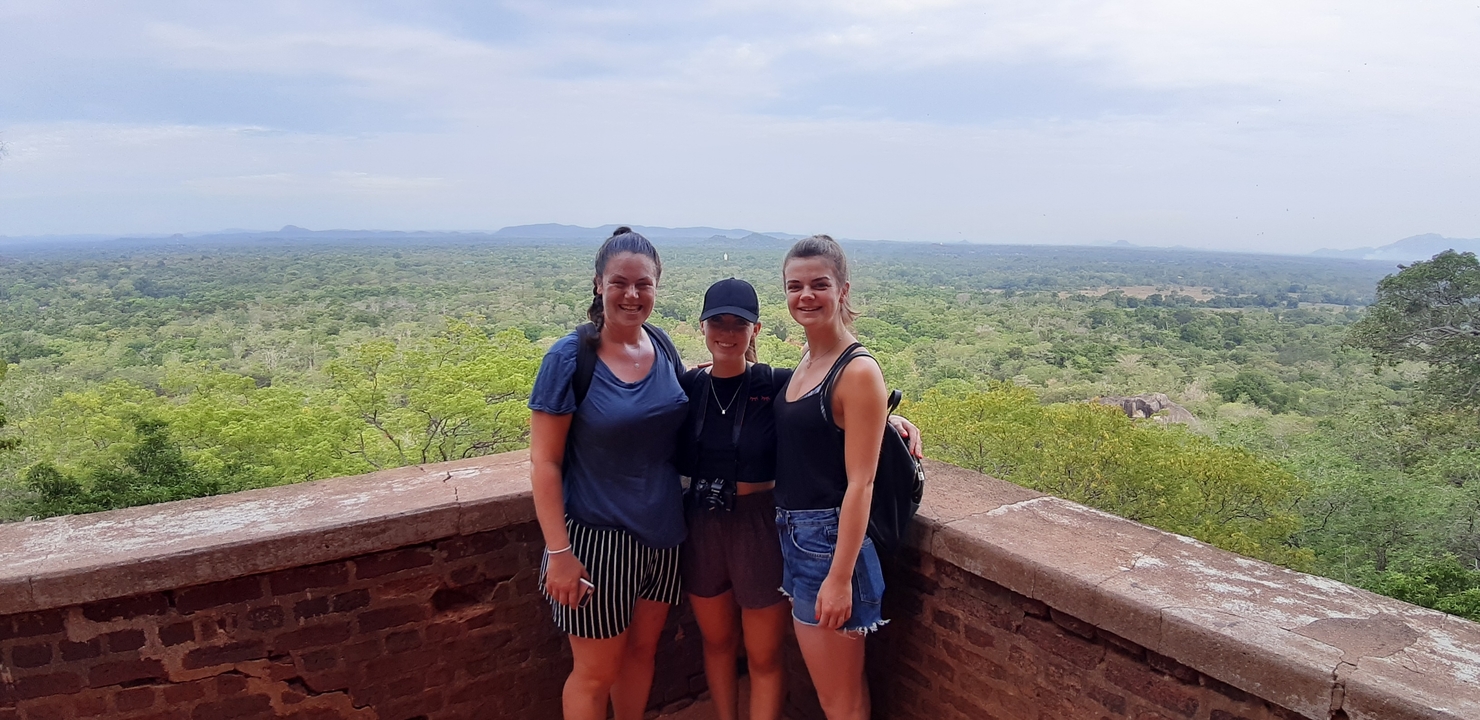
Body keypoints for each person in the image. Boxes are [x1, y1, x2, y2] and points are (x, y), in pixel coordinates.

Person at [678, 276, 921, 720]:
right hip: (703, 523)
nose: (728, 332)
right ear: (703, 326)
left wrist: (892, 423)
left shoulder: (774, 384)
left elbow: (828, 400)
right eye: (718, 322)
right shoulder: (689, 387)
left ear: (756, 330)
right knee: (715, 643)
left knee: (764, 654)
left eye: (739, 323)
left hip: (759, 525)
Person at [528, 227, 690, 720]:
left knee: (642, 655)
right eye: (620, 282)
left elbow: (690, 403)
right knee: (596, 673)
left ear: (657, 287)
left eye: (644, 284)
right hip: (597, 541)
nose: (632, 294)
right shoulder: (569, 357)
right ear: (599, 284)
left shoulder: (661, 345)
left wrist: (876, 418)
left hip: (663, 534)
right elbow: (544, 461)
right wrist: (559, 554)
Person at [772, 234, 889, 719]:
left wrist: (840, 578)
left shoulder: (856, 371)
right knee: (844, 692)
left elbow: (862, 483)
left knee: (837, 701)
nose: (806, 296)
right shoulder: (808, 359)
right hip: (799, 536)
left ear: (843, 289)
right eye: (795, 285)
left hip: (828, 544)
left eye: (819, 284)